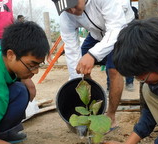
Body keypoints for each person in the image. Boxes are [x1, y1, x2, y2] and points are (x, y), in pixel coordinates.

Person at [52, 0, 134, 129]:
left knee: (113, 70)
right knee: (80, 68)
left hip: (122, 30)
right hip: (97, 34)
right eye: (67, 9)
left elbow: (116, 29)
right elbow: (72, 50)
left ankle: (111, 117)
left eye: (73, 5)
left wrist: (93, 55)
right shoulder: (66, 16)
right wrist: (76, 79)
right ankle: (91, 110)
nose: (72, 11)